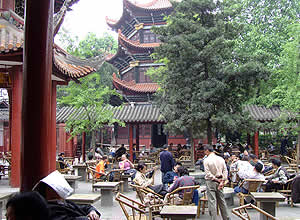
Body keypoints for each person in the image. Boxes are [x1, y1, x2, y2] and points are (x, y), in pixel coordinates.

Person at [33, 170, 101, 220]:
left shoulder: (63, 202)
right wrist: (87, 218)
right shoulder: (49, 208)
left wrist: (92, 212)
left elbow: (84, 207)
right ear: (49, 191)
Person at [203, 145, 230, 220]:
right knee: (222, 200)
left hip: (211, 181)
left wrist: (215, 179)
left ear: (207, 151)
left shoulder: (206, 160)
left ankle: (214, 218)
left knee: (212, 201)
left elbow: (207, 173)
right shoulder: (221, 159)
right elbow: (225, 170)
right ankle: (226, 217)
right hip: (220, 180)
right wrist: (223, 180)